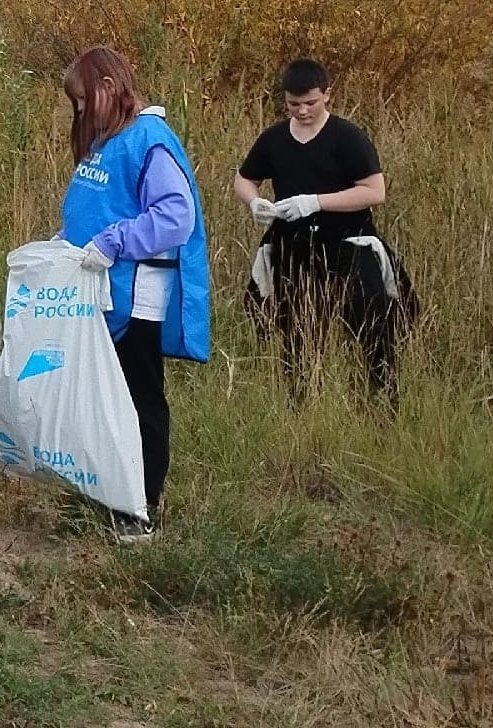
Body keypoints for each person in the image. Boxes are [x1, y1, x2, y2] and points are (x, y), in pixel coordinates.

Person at [55, 46, 212, 542]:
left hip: (136, 296)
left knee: (140, 398)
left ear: (107, 88)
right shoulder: (107, 139)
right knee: (102, 397)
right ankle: (107, 493)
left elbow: (174, 216)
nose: (79, 111)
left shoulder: (148, 138)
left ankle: (141, 507)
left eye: (83, 100)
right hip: (100, 292)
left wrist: (112, 241)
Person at [231, 59, 411, 406]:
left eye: (310, 103)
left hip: (348, 246)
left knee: (373, 330)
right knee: (294, 335)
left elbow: (375, 191)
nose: (302, 111)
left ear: (327, 95)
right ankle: (300, 409)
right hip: (293, 249)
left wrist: (316, 202)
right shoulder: (274, 139)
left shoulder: (347, 137)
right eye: (294, 104)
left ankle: (382, 405)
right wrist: (255, 202)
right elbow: (244, 178)